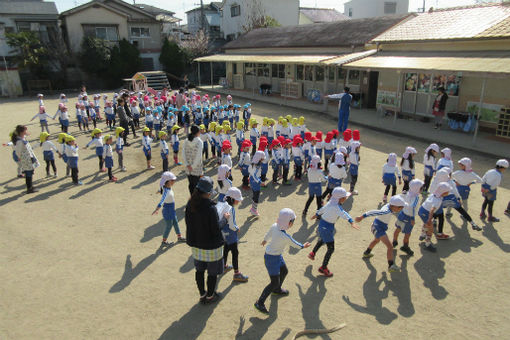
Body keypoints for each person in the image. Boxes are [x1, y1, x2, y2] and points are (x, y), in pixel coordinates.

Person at [254, 208, 311, 314]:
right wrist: (303, 246)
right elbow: (295, 243)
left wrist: (265, 240)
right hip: (272, 259)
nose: (293, 223)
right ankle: (260, 302)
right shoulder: (284, 236)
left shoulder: (275, 226)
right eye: (293, 221)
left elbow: (269, 232)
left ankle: (277, 290)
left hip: (276, 256)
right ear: (289, 223)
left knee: (284, 271)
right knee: (274, 281)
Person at [185, 176, 224, 304]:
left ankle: (202, 294)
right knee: (212, 273)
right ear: (208, 193)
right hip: (211, 246)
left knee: (199, 270)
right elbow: (216, 229)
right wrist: (225, 219)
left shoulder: (190, 204)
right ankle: (210, 296)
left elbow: (188, 224)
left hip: (196, 244)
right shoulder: (211, 208)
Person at [309, 187, 358, 277]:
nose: (346, 199)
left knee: (323, 240)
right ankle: (323, 267)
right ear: (340, 198)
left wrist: (316, 215)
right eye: (344, 197)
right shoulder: (337, 207)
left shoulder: (330, 203)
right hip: (327, 228)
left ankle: (313, 253)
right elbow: (344, 214)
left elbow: (322, 209)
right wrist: (351, 222)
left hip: (322, 225)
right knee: (331, 249)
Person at [356, 195, 407, 272]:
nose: (401, 209)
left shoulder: (390, 206)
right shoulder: (386, 211)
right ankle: (391, 265)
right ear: (394, 206)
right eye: (400, 207)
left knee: (376, 240)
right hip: (378, 228)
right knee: (390, 246)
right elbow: (373, 212)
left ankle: (367, 253)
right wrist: (361, 217)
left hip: (377, 227)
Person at [217, 187, 248, 283]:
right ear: (232, 199)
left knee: (226, 248)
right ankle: (237, 273)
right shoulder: (231, 209)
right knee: (235, 252)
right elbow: (232, 224)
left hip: (223, 233)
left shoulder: (221, 204)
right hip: (230, 233)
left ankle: (223, 266)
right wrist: (237, 228)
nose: (238, 202)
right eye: (237, 200)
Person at [153, 171, 186, 246]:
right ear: (167, 182)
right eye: (173, 180)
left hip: (171, 210)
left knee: (175, 223)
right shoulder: (166, 191)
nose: (174, 181)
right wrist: (157, 209)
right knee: (169, 225)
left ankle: (179, 237)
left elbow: (161, 189)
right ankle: (164, 241)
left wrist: (159, 191)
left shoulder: (167, 188)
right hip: (168, 210)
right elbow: (162, 200)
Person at [393, 179, 424, 256]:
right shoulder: (416, 197)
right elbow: (413, 207)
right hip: (409, 217)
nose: (422, 189)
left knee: (398, 228)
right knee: (407, 233)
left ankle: (394, 241)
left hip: (402, 213)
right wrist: (413, 218)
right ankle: (405, 246)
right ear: (417, 189)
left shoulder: (408, 193)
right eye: (421, 188)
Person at [417, 182, 451, 252]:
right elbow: (432, 210)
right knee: (430, 229)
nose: (448, 192)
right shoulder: (438, 200)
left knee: (425, 223)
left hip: (422, 210)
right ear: (443, 192)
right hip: (426, 213)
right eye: (447, 191)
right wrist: (430, 219)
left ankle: (423, 234)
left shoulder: (434, 194)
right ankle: (427, 244)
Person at [12, 125, 39, 193]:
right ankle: (29, 188)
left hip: (28, 158)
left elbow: (24, 137)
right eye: (25, 130)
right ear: (22, 132)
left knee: (30, 171)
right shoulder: (19, 141)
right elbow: (18, 151)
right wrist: (20, 157)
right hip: (26, 159)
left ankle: (31, 186)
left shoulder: (22, 138)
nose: (26, 131)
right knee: (28, 173)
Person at [182, 125, 204, 195]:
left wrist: (187, 164)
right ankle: (196, 201)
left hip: (188, 167)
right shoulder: (199, 141)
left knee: (191, 184)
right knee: (197, 185)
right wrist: (193, 166)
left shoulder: (186, 140)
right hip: (196, 168)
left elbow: (183, 153)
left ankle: (192, 198)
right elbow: (199, 156)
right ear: (197, 132)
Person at [249, 151, 265, 216]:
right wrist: (260, 182)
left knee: (254, 194)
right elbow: (254, 175)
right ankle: (254, 210)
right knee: (256, 197)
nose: (263, 159)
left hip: (252, 181)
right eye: (262, 158)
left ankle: (253, 208)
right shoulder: (257, 166)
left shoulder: (252, 163)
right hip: (256, 182)